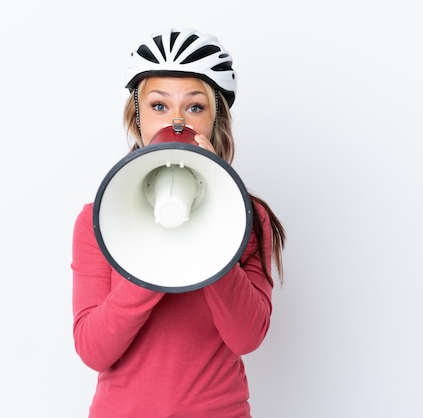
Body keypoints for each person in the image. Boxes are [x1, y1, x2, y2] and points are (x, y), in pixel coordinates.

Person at [71, 28, 285, 417]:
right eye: (158, 106)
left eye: (195, 107)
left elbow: (247, 337)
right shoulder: (96, 220)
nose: (177, 122)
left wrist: (213, 240)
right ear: (136, 117)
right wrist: (151, 260)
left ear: (215, 119)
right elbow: (94, 350)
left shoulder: (250, 219)